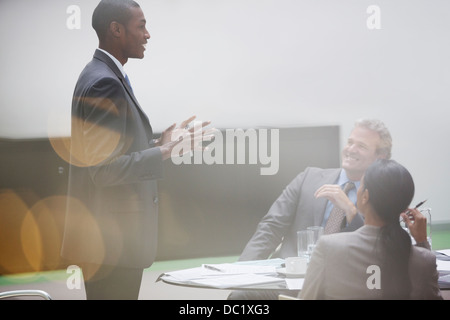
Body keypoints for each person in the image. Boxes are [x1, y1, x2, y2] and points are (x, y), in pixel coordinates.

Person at [60, 0, 209, 300]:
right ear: (116, 30)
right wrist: (165, 152)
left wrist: (157, 142)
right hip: (112, 249)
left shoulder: (99, 74)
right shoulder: (105, 83)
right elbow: (103, 171)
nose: (148, 34)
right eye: (141, 26)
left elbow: (111, 154)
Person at [228, 118, 393, 300]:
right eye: (350, 142)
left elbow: (380, 249)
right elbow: (271, 228)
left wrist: (351, 211)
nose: (351, 149)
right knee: (240, 297)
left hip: (342, 288)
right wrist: (241, 271)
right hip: (289, 281)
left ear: (380, 157)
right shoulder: (309, 178)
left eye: (361, 146)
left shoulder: (384, 196)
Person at [299, 159, 442, 299]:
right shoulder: (424, 260)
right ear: (405, 206)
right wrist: (422, 242)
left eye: (360, 185)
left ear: (365, 196)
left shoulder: (328, 247)